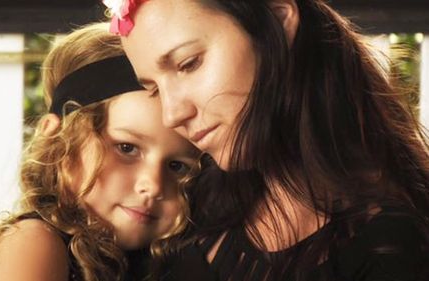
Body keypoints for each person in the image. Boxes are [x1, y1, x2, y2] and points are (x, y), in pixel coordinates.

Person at [102, 0, 429, 280]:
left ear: (278, 18)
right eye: (155, 89)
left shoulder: (398, 245)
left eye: (189, 64)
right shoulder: (187, 196)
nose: (172, 115)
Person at [0, 23, 200, 281]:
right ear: (58, 138)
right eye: (127, 148)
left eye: (177, 166)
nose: (153, 186)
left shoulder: (160, 263)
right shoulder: (33, 243)